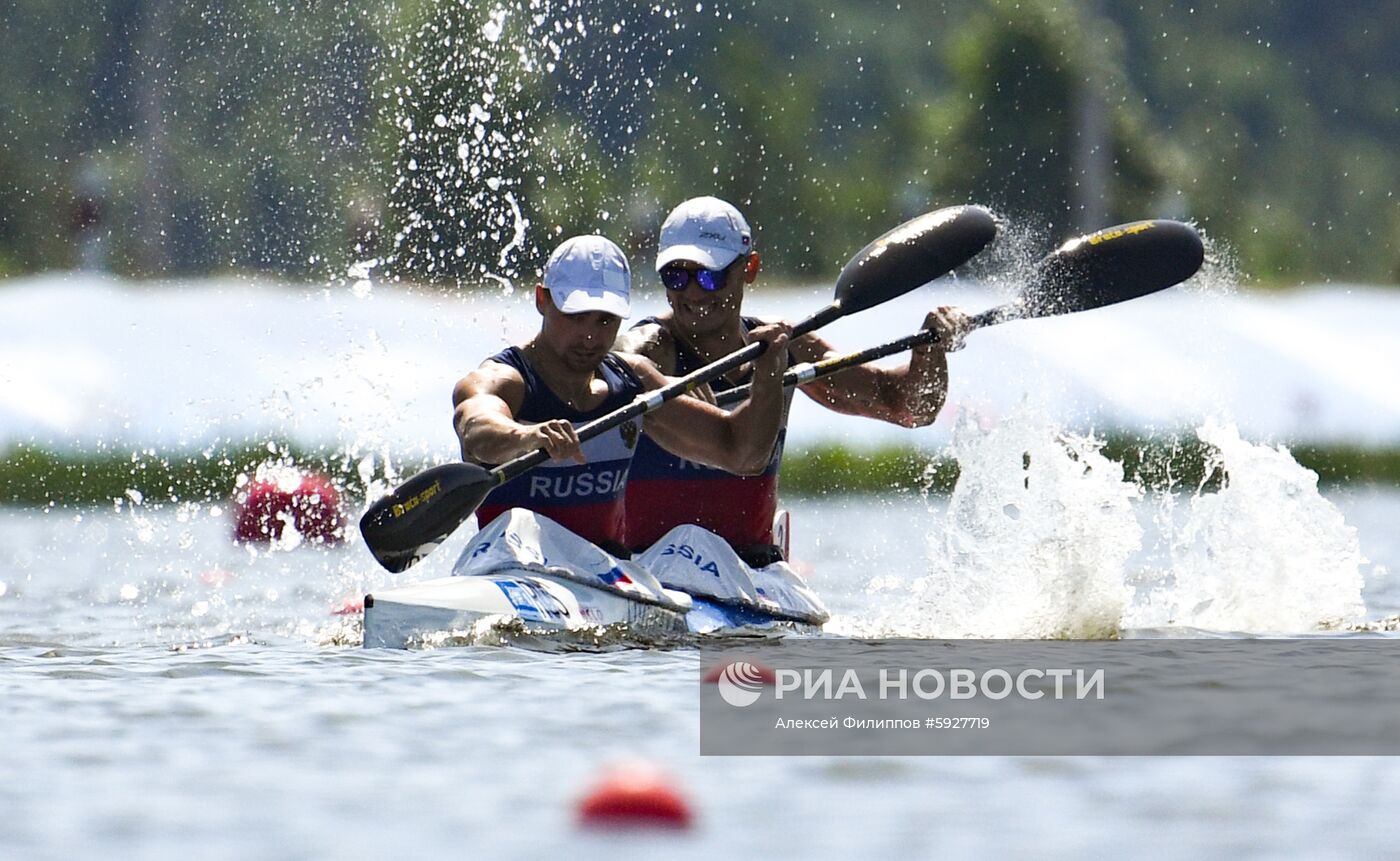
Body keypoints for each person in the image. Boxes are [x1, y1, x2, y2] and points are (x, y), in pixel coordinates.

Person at [616, 196, 968, 563]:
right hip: (649, 565)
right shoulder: (648, 350)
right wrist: (659, 383)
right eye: (676, 275)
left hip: (752, 567)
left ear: (749, 268)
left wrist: (929, 348)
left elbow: (908, 407)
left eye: (710, 275)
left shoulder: (785, 347)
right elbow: (610, 364)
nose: (692, 292)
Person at [451, 234, 791, 557]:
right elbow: (477, 429)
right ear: (542, 300)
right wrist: (527, 436)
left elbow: (743, 455)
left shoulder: (633, 382)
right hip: (508, 562)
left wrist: (769, 373)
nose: (589, 336)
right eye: (576, 316)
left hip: (603, 578)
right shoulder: (504, 379)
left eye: (604, 320)